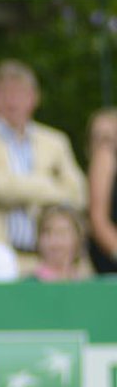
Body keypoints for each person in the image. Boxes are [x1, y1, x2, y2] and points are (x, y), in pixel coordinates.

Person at [0, 60, 87, 271]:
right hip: (0, 256)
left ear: (34, 98)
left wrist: (19, 187)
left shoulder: (55, 141)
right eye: (4, 93)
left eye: (19, 93)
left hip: (51, 260)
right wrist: (47, 185)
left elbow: (77, 193)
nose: (11, 101)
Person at [87, 108, 117, 275]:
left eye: (109, 137)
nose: (103, 145)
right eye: (97, 137)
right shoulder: (104, 159)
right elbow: (99, 222)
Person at [29, 205, 92, 283]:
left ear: (78, 239)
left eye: (62, 233)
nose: (54, 241)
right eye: (47, 232)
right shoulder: (29, 285)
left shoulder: (85, 283)